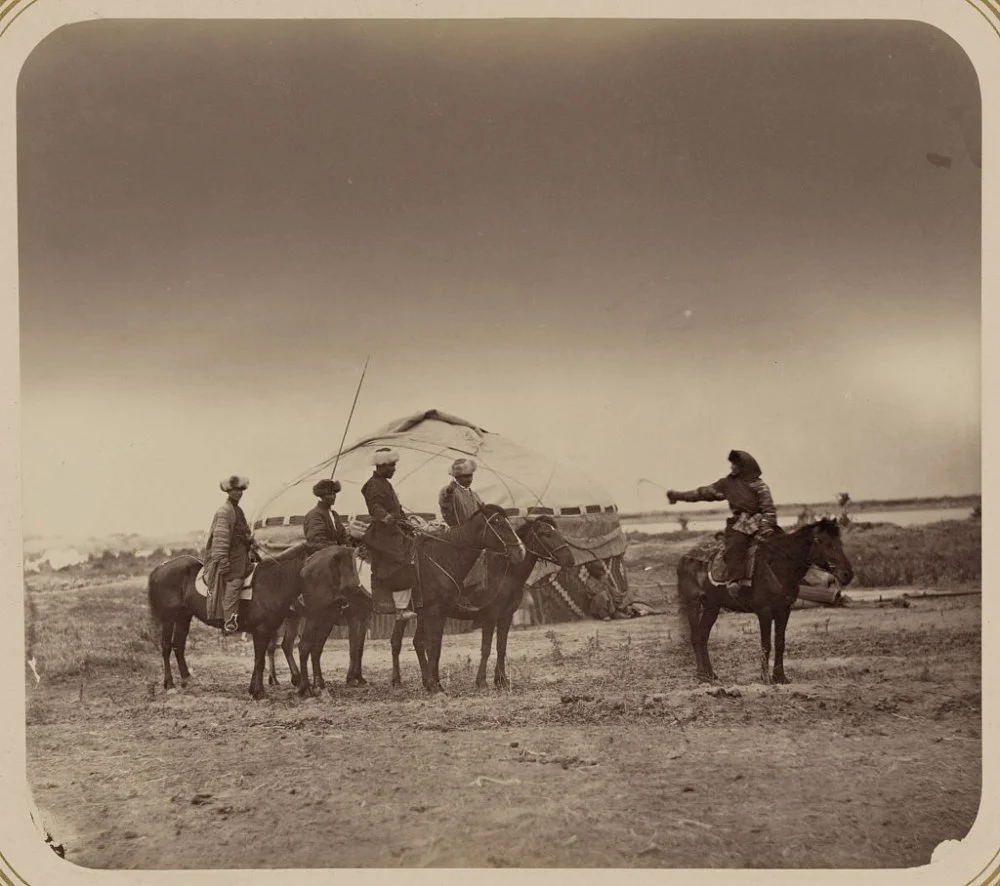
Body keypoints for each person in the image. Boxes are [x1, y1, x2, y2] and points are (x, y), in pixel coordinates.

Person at [666, 450, 778, 588]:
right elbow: (702, 493)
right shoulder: (726, 484)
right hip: (741, 524)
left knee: (783, 543)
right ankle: (735, 580)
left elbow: (768, 508)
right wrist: (677, 496)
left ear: (744, 466)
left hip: (763, 523)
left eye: (735, 464)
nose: (731, 467)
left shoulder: (759, 485)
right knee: (735, 546)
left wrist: (766, 526)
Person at [361, 447, 417, 621]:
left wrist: (408, 522)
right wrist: (384, 517)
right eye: (391, 465)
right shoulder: (372, 485)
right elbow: (374, 506)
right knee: (401, 559)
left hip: (394, 529)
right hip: (382, 533)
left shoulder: (386, 484)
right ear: (381, 465)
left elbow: (397, 509)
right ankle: (400, 609)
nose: (394, 468)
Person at [204, 475, 254, 634]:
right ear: (228, 492)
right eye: (235, 490)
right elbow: (220, 539)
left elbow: (243, 531)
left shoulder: (238, 510)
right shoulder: (225, 511)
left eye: (240, 490)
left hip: (242, 556)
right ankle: (229, 621)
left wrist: (248, 538)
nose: (239, 493)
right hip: (230, 559)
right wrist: (223, 561)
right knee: (236, 582)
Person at [303, 478, 348, 555]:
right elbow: (316, 542)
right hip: (320, 557)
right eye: (329, 494)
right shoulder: (314, 514)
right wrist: (339, 548)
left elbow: (342, 536)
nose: (333, 497)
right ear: (322, 496)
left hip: (336, 555)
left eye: (334, 494)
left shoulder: (334, 515)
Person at [438, 458, 485, 527]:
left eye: (470, 475)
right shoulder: (452, 492)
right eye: (465, 476)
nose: (469, 479)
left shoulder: (475, 495)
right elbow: (446, 498)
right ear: (457, 477)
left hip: (475, 531)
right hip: (459, 532)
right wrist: (450, 490)